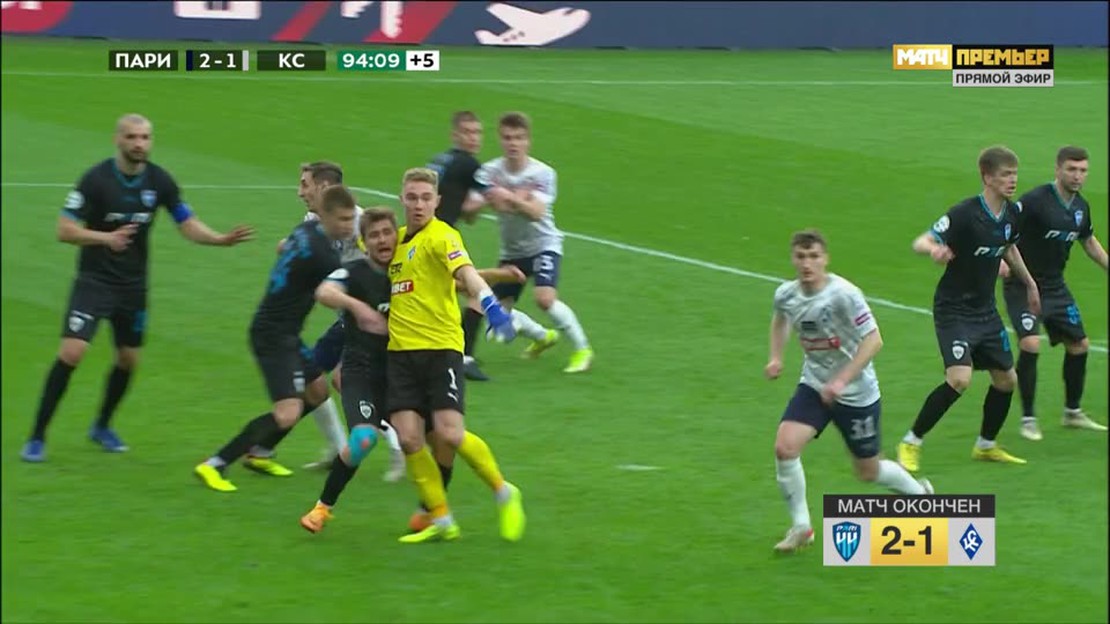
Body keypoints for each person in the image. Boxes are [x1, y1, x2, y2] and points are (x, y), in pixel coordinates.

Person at [21, 113, 254, 463]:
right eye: (132, 137)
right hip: (94, 282)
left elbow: (186, 223)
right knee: (72, 353)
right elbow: (64, 230)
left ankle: (102, 426)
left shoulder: (160, 181)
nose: (139, 144)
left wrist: (219, 239)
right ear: (118, 139)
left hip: (133, 287)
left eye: (145, 137)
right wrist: (106, 238)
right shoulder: (95, 180)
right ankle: (37, 436)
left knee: (128, 359)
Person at [300, 207, 525, 533]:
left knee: (440, 439)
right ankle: (323, 508)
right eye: (373, 236)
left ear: (397, 236)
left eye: (386, 234)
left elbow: (455, 278)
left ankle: (436, 513)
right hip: (363, 370)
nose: (382, 240)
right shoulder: (355, 271)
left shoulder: (404, 267)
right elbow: (325, 291)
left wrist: (500, 276)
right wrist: (358, 308)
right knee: (367, 438)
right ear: (364, 242)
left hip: (398, 369)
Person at [193, 186, 370, 492]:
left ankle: (260, 452)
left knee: (316, 391)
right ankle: (216, 463)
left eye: (351, 219)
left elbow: (287, 248)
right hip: (273, 335)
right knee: (287, 413)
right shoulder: (324, 254)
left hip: (285, 331)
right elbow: (351, 285)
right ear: (325, 215)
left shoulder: (306, 230)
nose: (348, 226)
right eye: (342, 219)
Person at [767, 230, 933, 553]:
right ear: (793, 259)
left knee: (868, 471)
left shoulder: (844, 294)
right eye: (801, 257)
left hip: (856, 393)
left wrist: (842, 380)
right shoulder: (786, 294)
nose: (807, 264)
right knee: (785, 448)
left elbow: (874, 340)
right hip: (815, 385)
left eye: (814, 256)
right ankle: (802, 527)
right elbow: (780, 321)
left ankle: (920, 497)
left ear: (825, 259)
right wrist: (776, 357)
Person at [387, 167, 525, 544]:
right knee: (409, 439)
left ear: (437, 201)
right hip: (400, 356)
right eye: (412, 197)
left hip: (440, 350)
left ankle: (504, 491)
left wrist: (492, 307)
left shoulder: (443, 235)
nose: (418, 204)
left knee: (449, 434)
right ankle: (443, 521)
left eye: (425, 198)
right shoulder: (395, 242)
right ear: (402, 199)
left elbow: (465, 273)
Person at [248, 162, 405, 480]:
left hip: (368, 317)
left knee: (341, 380)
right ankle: (333, 448)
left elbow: (385, 262)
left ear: (324, 189)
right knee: (316, 380)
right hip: (345, 314)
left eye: (305, 185)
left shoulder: (360, 222)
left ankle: (398, 447)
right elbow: (295, 246)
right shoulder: (313, 220)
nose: (300, 192)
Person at [897, 146, 1041, 474]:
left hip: (985, 310)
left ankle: (986, 445)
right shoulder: (965, 213)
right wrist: (934, 251)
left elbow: (1009, 247)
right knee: (959, 379)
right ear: (987, 177)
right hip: (953, 309)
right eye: (1005, 175)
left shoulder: (1012, 213)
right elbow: (921, 241)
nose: (1012, 180)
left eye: (1015, 174)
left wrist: (1030, 283)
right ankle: (911, 441)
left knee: (1006, 380)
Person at [999, 146, 1108, 440]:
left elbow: (1088, 241)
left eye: (1083, 170)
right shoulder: (1035, 201)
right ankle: (1028, 419)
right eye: (1071, 169)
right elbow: (1005, 229)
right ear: (1058, 169)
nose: (1077, 176)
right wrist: (1000, 261)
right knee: (1031, 343)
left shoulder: (1080, 207)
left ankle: (1072, 413)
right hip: (1022, 284)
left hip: (1055, 286)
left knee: (1079, 345)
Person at [473, 111, 594, 374]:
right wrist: (519, 198)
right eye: (507, 138)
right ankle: (543, 337)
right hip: (512, 251)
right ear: (500, 140)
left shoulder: (543, 173)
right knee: (498, 317)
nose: (513, 143)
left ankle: (582, 350)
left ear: (528, 140)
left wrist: (508, 196)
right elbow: (492, 205)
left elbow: (536, 213)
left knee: (544, 299)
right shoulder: (489, 171)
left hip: (543, 245)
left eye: (518, 138)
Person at [427, 111, 494, 381]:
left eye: (478, 132)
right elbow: (496, 196)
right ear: (455, 135)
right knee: (478, 291)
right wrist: (520, 197)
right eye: (467, 132)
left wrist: (476, 206)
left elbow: (464, 210)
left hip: (421, 235)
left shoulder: (441, 159)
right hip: (440, 239)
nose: (474, 138)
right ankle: (464, 358)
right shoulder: (468, 163)